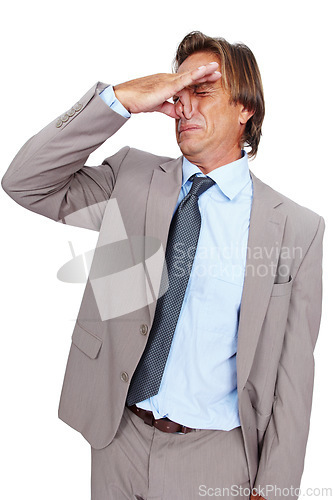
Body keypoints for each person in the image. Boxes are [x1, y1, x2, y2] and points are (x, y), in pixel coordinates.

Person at [1, 31, 325, 500]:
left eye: (202, 91)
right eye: (178, 92)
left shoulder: (295, 228)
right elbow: (25, 183)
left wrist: (276, 490)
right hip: (118, 439)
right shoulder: (132, 178)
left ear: (245, 108)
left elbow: (294, 376)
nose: (183, 107)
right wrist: (119, 100)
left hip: (216, 457)